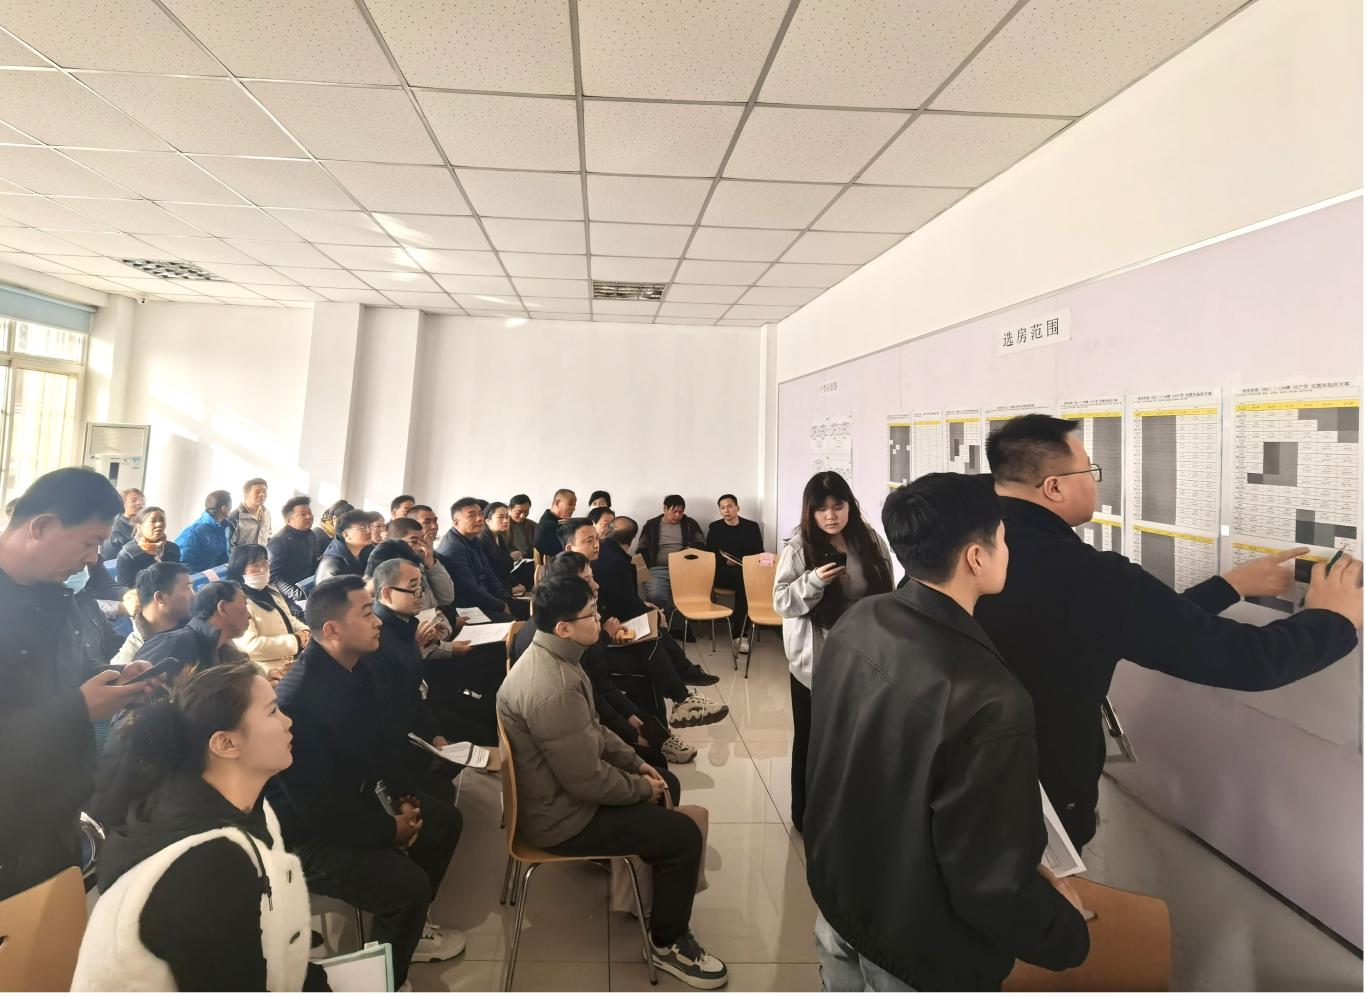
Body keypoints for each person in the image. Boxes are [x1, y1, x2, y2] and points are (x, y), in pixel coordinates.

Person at [976, 414, 1364, 848]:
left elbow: (1127, 622)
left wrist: (1229, 586)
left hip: (959, 779)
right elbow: (1248, 661)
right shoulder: (1088, 575)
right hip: (1035, 806)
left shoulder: (962, 544)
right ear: (1054, 487)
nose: (1095, 481)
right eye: (1089, 469)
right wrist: (1334, 619)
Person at [805, 474, 1090, 991]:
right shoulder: (990, 697)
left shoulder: (860, 620)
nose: (1008, 549)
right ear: (976, 558)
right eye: (1003, 538)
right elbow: (989, 882)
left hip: (841, 901)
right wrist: (1065, 931)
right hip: (913, 946)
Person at [497, 575, 727, 989]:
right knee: (683, 835)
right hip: (562, 820)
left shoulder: (557, 657)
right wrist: (642, 787)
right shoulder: (553, 685)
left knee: (665, 781)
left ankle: (650, 893)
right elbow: (587, 781)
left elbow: (594, 729)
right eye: (591, 614)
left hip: (559, 795)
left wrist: (637, 764)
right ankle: (667, 944)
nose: (599, 618)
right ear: (564, 627)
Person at [73, 663, 323, 991]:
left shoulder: (246, 809)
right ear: (226, 744)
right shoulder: (205, 862)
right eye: (273, 711)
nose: (288, 721)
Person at [271, 576, 465, 988]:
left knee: (444, 821)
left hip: (351, 798)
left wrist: (403, 797)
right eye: (365, 613)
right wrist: (388, 829)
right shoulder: (299, 700)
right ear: (332, 630)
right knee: (406, 888)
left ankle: (409, 934)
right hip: (303, 834)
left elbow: (382, 741)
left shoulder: (361, 667)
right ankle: (383, 980)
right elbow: (317, 808)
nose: (377, 620)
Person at [0, 467, 162, 900]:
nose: (93, 559)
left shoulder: (56, 593)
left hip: (54, 814)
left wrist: (110, 677)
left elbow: (65, 667)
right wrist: (79, 707)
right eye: (89, 543)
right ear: (41, 526)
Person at [774, 471, 894, 833]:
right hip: (817, 659)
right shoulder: (799, 547)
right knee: (811, 738)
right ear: (810, 512)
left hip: (865, 655)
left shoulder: (868, 540)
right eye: (821, 509)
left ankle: (850, 811)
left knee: (857, 737)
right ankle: (805, 813)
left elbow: (886, 590)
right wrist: (813, 581)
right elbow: (782, 602)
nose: (830, 516)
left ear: (849, 506)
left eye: (838, 506)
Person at [564, 517, 727, 727]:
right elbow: (576, 644)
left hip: (599, 639)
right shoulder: (568, 584)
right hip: (589, 655)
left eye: (597, 538)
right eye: (589, 541)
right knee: (649, 646)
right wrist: (606, 633)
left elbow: (603, 608)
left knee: (650, 636)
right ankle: (679, 701)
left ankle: (681, 700)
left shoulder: (589, 567)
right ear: (570, 548)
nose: (596, 545)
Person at [541, 551, 697, 769]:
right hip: (589, 728)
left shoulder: (574, 607)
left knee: (651, 646)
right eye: (587, 580)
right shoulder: (566, 638)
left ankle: (667, 720)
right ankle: (668, 716)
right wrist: (630, 729)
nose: (596, 585)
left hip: (600, 664)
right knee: (642, 670)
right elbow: (597, 694)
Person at [370, 557, 459, 802]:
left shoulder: (406, 623)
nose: (421, 594)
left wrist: (434, 733)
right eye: (413, 588)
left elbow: (412, 692)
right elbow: (396, 706)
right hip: (403, 741)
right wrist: (430, 739)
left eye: (421, 586)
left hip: (419, 719)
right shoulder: (379, 639)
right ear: (386, 593)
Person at [226, 544, 310, 683]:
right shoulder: (238, 602)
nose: (263, 570)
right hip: (266, 671)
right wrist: (296, 640)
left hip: (292, 661)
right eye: (255, 566)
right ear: (239, 570)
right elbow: (251, 646)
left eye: (265, 563)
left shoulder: (271, 590)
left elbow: (289, 618)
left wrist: (305, 632)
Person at [437, 497, 526, 621]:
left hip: (485, 599)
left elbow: (489, 574)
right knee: (515, 623)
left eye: (480, 514)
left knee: (534, 609)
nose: (479, 519)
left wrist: (505, 600)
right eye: (471, 515)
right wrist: (500, 605)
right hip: (467, 608)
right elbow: (470, 589)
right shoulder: (453, 548)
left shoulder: (473, 539)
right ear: (456, 522)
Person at [139, 580, 253, 675]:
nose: (249, 615)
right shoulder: (172, 645)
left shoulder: (226, 653)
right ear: (222, 608)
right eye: (244, 603)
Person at [636, 495, 707, 627]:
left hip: (684, 568)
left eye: (681, 512)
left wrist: (689, 550)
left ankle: (679, 629)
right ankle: (658, 627)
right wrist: (643, 573)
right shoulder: (651, 525)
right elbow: (641, 549)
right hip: (657, 569)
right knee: (656, 595)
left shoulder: (690, 524)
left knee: (685, 597)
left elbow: (702, 543)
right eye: (674, 511)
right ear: (664, 508)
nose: (678, 515)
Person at [706, 495, 765, 651]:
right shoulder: (715, 528)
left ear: (737, 508)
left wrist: (751, 563)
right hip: (723, 573)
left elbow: (759, 552)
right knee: (744, 582)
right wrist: (725, 561)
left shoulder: (751, 527)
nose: (726, 510)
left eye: (729, 506)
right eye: (722, 508)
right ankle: (740, 635)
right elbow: (710, 554)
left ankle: (739, 632)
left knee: (745, 582)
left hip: (746, 571)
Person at [113, 561, 193, 668]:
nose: (194, 594)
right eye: (188, 587)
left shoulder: (199, 630)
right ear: (160, 598)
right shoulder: (130, 664)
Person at [382, 517, 456, 612]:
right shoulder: (388, 572)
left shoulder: (420, 564)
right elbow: (412, 609)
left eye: (422, 541)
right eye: (414, 541)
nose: (421, 547)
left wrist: (430, 562)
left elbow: (447, 598)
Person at [268, 495, 321, 604]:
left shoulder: (311, 535)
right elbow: (274, 578)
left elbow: (313, 564)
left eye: (310, 513)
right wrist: (297, 595)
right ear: (288, 520)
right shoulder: (278, 541)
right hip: (288, 596)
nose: (309, 517)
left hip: (307, 589)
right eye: (303, 514)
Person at [115, 506, 182, 586]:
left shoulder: (173, 549)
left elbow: (177, 580)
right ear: (139, 527)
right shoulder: (128, 555)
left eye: (162, 520)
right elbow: (126, 589)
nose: (159, 524)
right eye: (153, 521)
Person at [480, 501, 533, 594]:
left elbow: (504, 571)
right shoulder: (482, 540)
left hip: (504, 584)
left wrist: (517, 584)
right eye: (500, 517)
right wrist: (509, 589)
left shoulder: (499, 536)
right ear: (488, 521)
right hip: (493, 591)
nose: (505, 521)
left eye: (507, 517)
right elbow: (487, 575)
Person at [175, 489, 232, 573]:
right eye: (230, 507)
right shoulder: (195, 532)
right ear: (224, 508)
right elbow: (183, 565)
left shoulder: (223, 527)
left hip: (215, 577)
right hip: (198, 579)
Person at [315, 508, 375, 583]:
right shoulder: (332, 566)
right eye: (363, 527)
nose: (369, 531)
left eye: (369, 526)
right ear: (346, 534)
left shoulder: (365, 552)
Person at [99, 487, 145, 561]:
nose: (140, 503)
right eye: (134, 500)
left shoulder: (144, 523)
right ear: (123, 504)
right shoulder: (114, 526)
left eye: (142, 500)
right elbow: (109, 556)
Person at [225, 478, 272, 550]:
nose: (262, 494)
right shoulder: (235, 516)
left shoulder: (266, 513)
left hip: (262, 556)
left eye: (264, 491)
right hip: (243, 557)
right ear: (246, 494)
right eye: (257, 492)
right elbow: (229, 547)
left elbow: (269, 536)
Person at [534, 488, 577, 559]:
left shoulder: (557, 521)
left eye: (574, 505)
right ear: (557, 503)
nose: (573, 508)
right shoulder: (549, 526)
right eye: (570, 504)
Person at [507, 494, 536, 561]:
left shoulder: (533, 525)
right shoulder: (502, 525)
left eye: (526, 511)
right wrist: (508, 554)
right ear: (509, 509)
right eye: (518, 512)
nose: (522, 515)